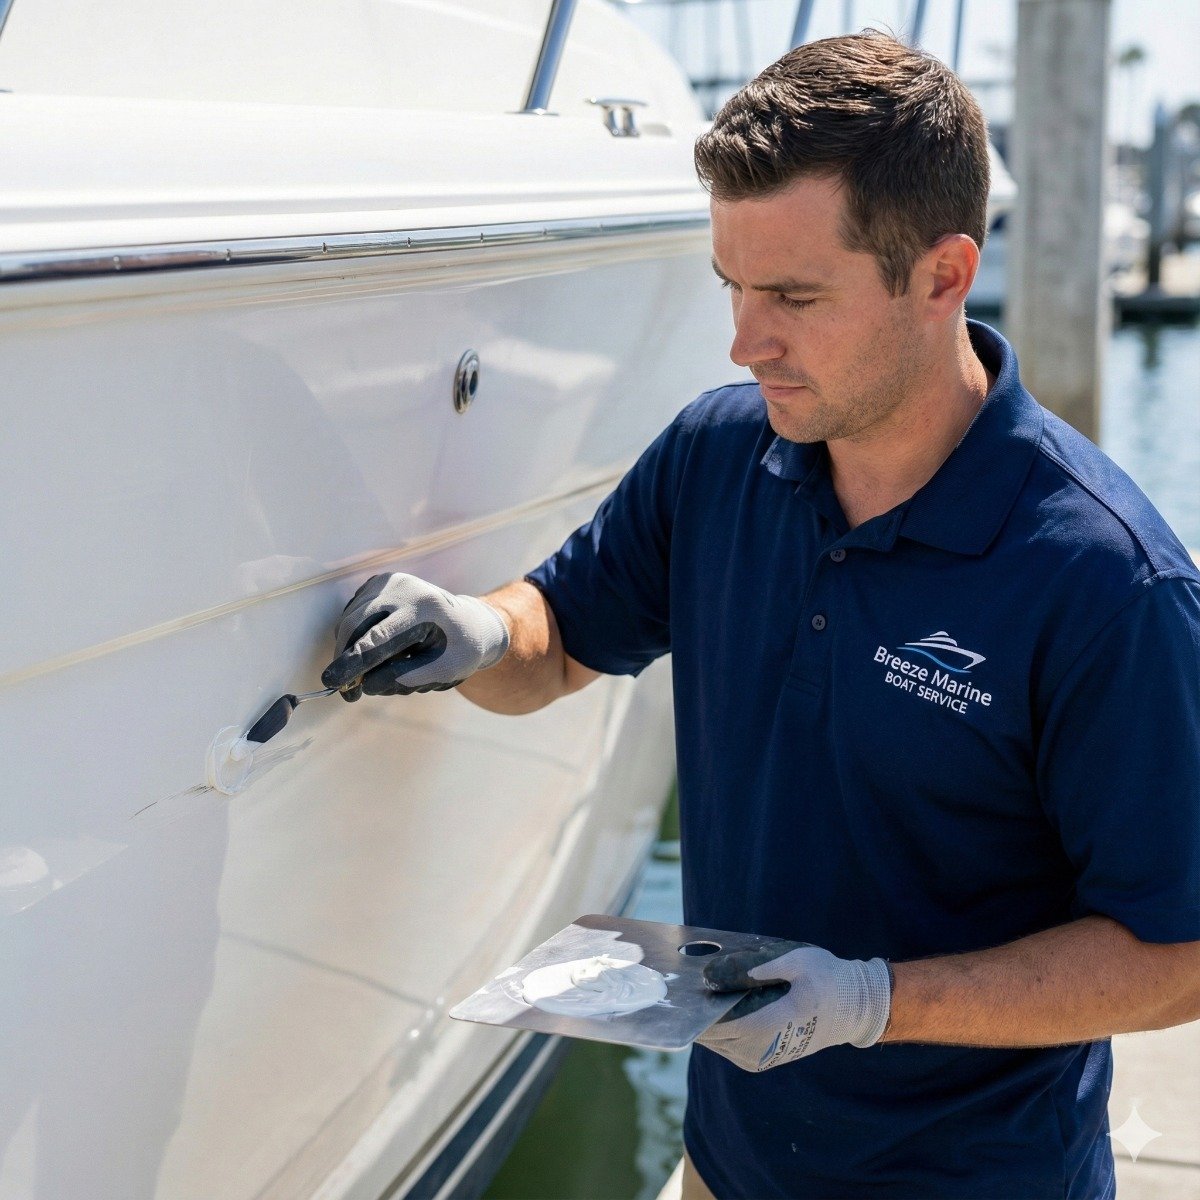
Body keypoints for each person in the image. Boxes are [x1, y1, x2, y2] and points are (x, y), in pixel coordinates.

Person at [320, 32, 1200, 1200]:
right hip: (727, 1172)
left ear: (943, 276)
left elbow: (1178, 958)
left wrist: (877, 1002)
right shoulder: (718, 455)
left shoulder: (1108, 582)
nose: (745, 341)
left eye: (793, 296)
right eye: (733, 287)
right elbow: (561, 634)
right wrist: (482, 632)